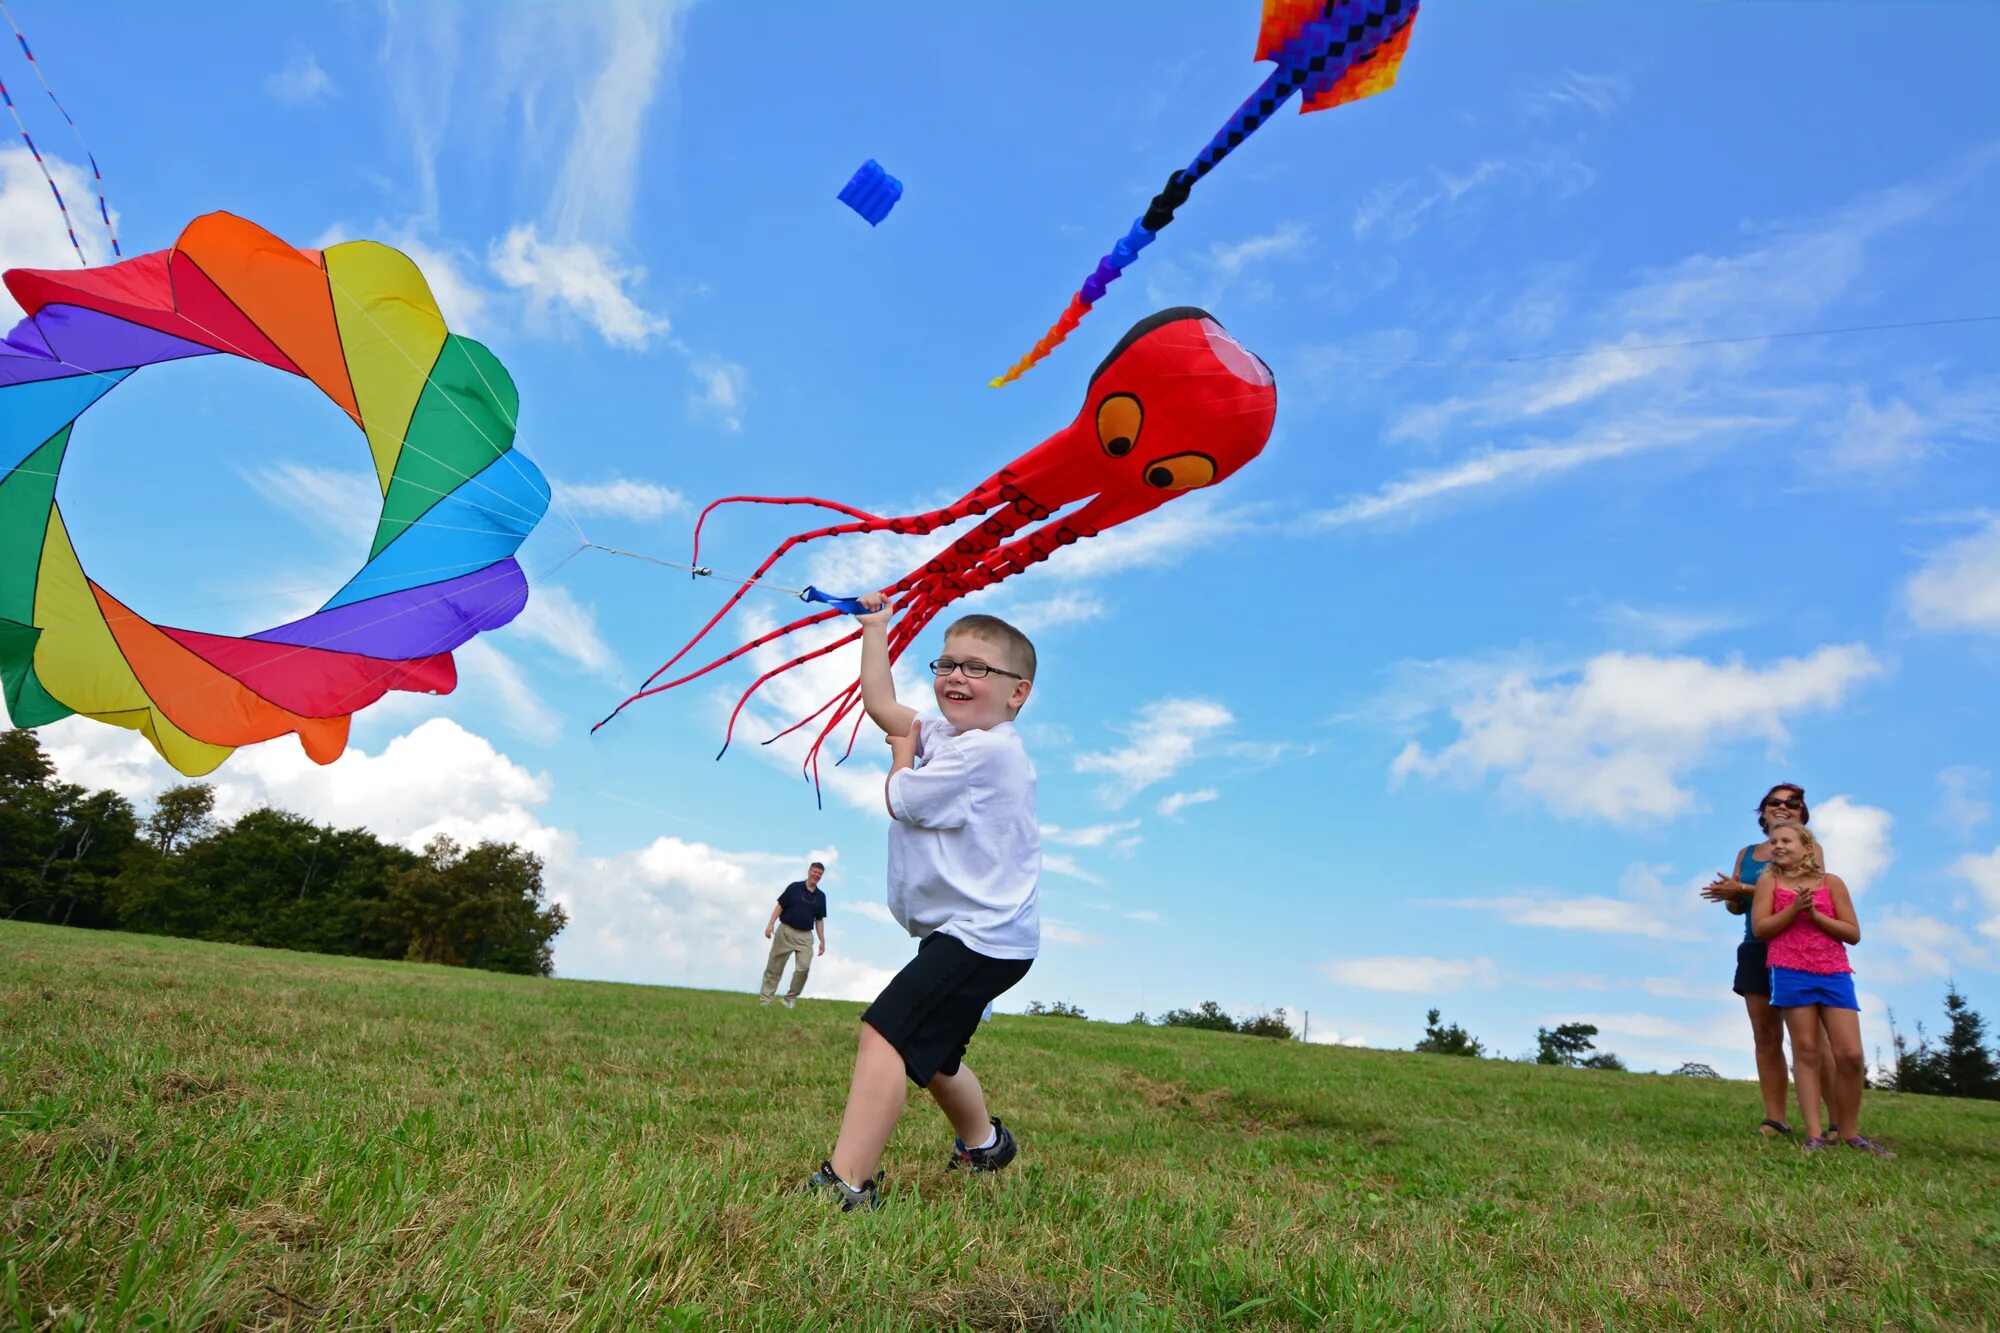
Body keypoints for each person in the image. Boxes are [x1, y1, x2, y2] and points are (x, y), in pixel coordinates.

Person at [804, 599, 1041, 1211]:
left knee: (885, 1032)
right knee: (935, 1055)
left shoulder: (987, 753)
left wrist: (900, 757)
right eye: (948, 664)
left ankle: (847, 1184)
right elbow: (883, 708)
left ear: (1018, 694)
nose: (957, 676)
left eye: (978, 668)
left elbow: (901, 795)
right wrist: (876, 630)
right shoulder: (956, 735)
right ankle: (984, 1145)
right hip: (981, 936)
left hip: (981, 936)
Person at [1751, 822, 1890, 1156]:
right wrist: (1793, 909)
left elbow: (1852, 933)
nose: (1778, 846)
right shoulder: (1769, 881)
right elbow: (1761, 929)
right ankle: (1814, 1135)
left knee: (1850, 1054)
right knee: (1807, 1050)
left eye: (1786, 840)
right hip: (1788, 970)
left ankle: (1849, 1132)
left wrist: (1814, 914)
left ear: (1808, 848)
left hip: (1833, 972)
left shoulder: (1832, 883)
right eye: (1774, 842)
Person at [1701, 783, 1826, 1137]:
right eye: (1774, 802)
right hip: (1756, 947)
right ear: (1763, 811)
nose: (1782, 807)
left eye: (1793, 802)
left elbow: (1809, 893)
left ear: (1803, 813)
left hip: (1799, 949)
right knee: (1765, 1035)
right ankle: (1776, 1119)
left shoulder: (1810, 849)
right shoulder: (1747, 853)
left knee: (1812, 1040)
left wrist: (1744, 890)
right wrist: (1730, 895)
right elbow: (1737, 906)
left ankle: (1833, 1124)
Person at [759, 862, 827, 1009]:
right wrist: (770, 924)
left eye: (820, 874)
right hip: (786, 931)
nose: (817, 875)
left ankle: (789, 999)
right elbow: (780, 906)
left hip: (805, 936)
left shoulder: (821, 896)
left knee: (803, 968)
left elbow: (819, 920)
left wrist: (822, 941)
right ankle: (765, 1000)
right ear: (809, 872)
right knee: (774, 967)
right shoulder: (794, 887)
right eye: (815, 872)